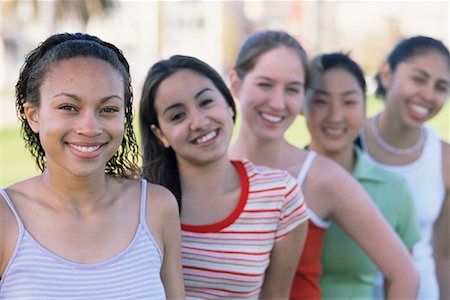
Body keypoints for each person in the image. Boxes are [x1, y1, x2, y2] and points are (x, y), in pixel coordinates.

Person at [228, 30, 419, 299]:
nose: (278, 102)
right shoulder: (205, 167)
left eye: (292, 89)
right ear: (235, 83)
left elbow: (405, 274)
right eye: (265, 84)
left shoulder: (323, 177)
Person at [0, 32, 185, 299]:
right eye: (68, 107)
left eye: (108, 109)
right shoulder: (5, 218)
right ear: (34, 116)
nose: (90, 127)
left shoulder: (157, 207)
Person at [139, 54, 309, 299]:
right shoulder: (139, 201)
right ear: (160, 134)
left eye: (206, 102)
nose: (198, 122)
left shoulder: (279, 194)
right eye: (177, 116)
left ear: (229, 105)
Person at [303, 52, 420, 298]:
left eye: (349, 102)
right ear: (301, 106)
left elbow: (403, 279)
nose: (335, 116)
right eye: (321, 101)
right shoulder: (280, 179)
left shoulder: (394, 189)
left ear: (366, 109)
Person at [359, 36, 450, 299]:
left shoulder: (444, 157)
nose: (428, 95)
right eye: (418, 79)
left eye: (441, 87)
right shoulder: (346, 141)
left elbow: (443, 254)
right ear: (387, 74)